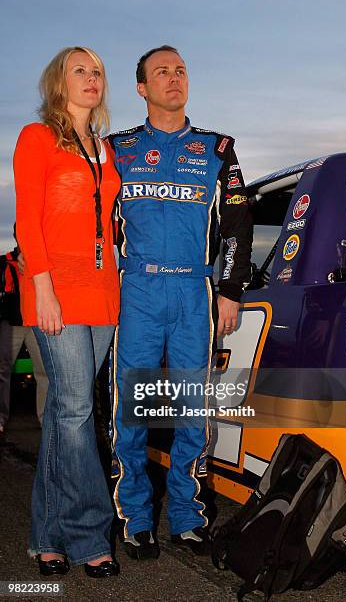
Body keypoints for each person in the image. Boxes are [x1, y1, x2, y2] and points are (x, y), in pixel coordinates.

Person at [109, 45, 253, 559]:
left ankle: (188, 517)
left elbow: (238, 220)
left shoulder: (217, 148)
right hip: (138, 293)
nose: (174, 79)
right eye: (161, 72)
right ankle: (136, 518)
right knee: (133, 409)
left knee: (193, 410)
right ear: (142, 88)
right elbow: (98, 223)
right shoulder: (116, 149)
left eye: (181, 71)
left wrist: (231, 290)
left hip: (196, 292)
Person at [13, 46, 120, 578]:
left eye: (97, 71)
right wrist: (43, 289)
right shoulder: (37, 138)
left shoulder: (104, 147)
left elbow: (108, 226)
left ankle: (46, 536)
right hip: (55, 289)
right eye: (80, 70)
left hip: (103, 292)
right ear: (58, 83)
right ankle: (90, 535)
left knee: (63, 416)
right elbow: (27, 222)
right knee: (77, 410)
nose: (91, 78)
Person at [0, 236, 48, 433]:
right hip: (12, 322)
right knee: (1, 369)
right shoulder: (5, 262)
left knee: (45, 372)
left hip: (38, 321)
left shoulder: (43, 259)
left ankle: (47, 421)